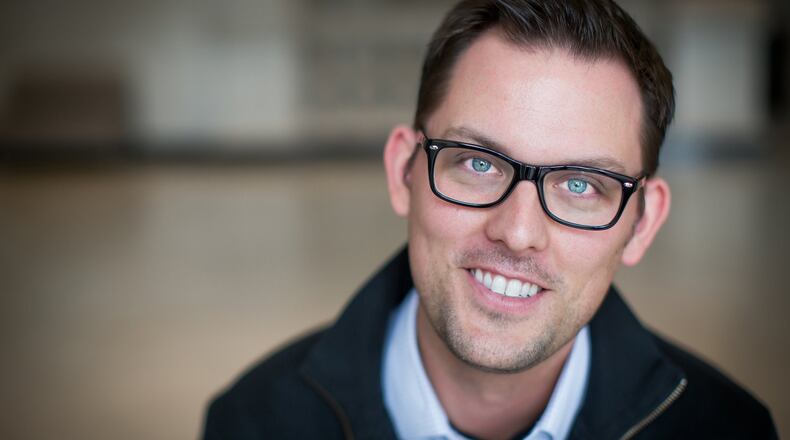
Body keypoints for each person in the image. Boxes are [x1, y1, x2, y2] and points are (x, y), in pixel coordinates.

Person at [202, 1, 778, 439]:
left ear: (643, 223)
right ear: (405, 170)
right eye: (478, 163)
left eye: (581, 185)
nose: (518, 232)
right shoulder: (254, 421)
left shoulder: (727, 428)